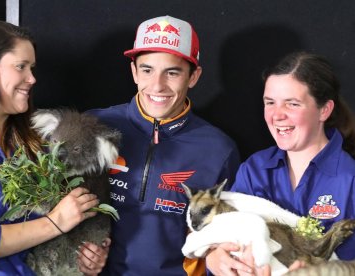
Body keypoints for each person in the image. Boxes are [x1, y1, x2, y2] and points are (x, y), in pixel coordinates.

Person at [76, 15, 240, 275]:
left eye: (172, 72)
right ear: (134, 72)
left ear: (193, 76)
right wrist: (79, 253)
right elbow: (57, 208)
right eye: (147, 70)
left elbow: (222, 238)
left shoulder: (219, 150)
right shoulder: (92, 126)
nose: (157, 86)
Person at [0, 17, 102, 275]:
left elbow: (44, 234)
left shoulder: (34, 144)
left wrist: (81, 257)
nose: (32, 78)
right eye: (21, 66)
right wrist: (55, 222)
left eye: (32, 67)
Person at [205, 51, 355, 275]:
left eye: (292, 104)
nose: (277, 115)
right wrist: (215, 259)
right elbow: (227, 234)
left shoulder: (350, 178)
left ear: (324, 110)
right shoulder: (253, 169)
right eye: (270, 102)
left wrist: (323, 271)